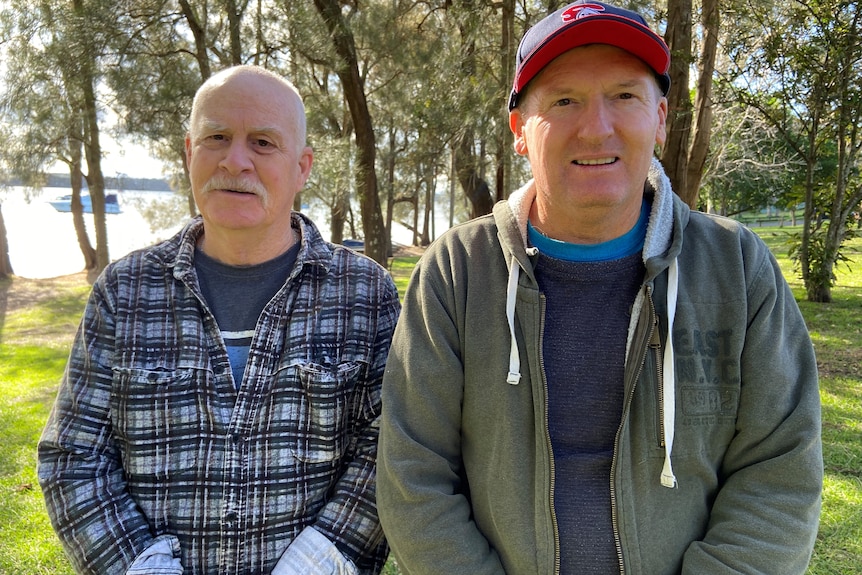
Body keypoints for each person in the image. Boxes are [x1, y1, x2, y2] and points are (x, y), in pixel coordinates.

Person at [376, 2, 823, 574]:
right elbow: (414, 475)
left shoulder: (736, 268)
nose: (596, 127)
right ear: (520, 130)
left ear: (660, 117)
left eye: (624, 96)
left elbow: (780, 472)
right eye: (564, 100)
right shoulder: (457, 273)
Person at [38, 65, 400, 575]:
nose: (236, 160)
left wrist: (317, 564)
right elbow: (72, 457)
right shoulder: (125, 291)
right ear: (190, 152)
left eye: (263, 143)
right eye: (217, 137)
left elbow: (390, 448)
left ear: (303, 167)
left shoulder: (366, 294)